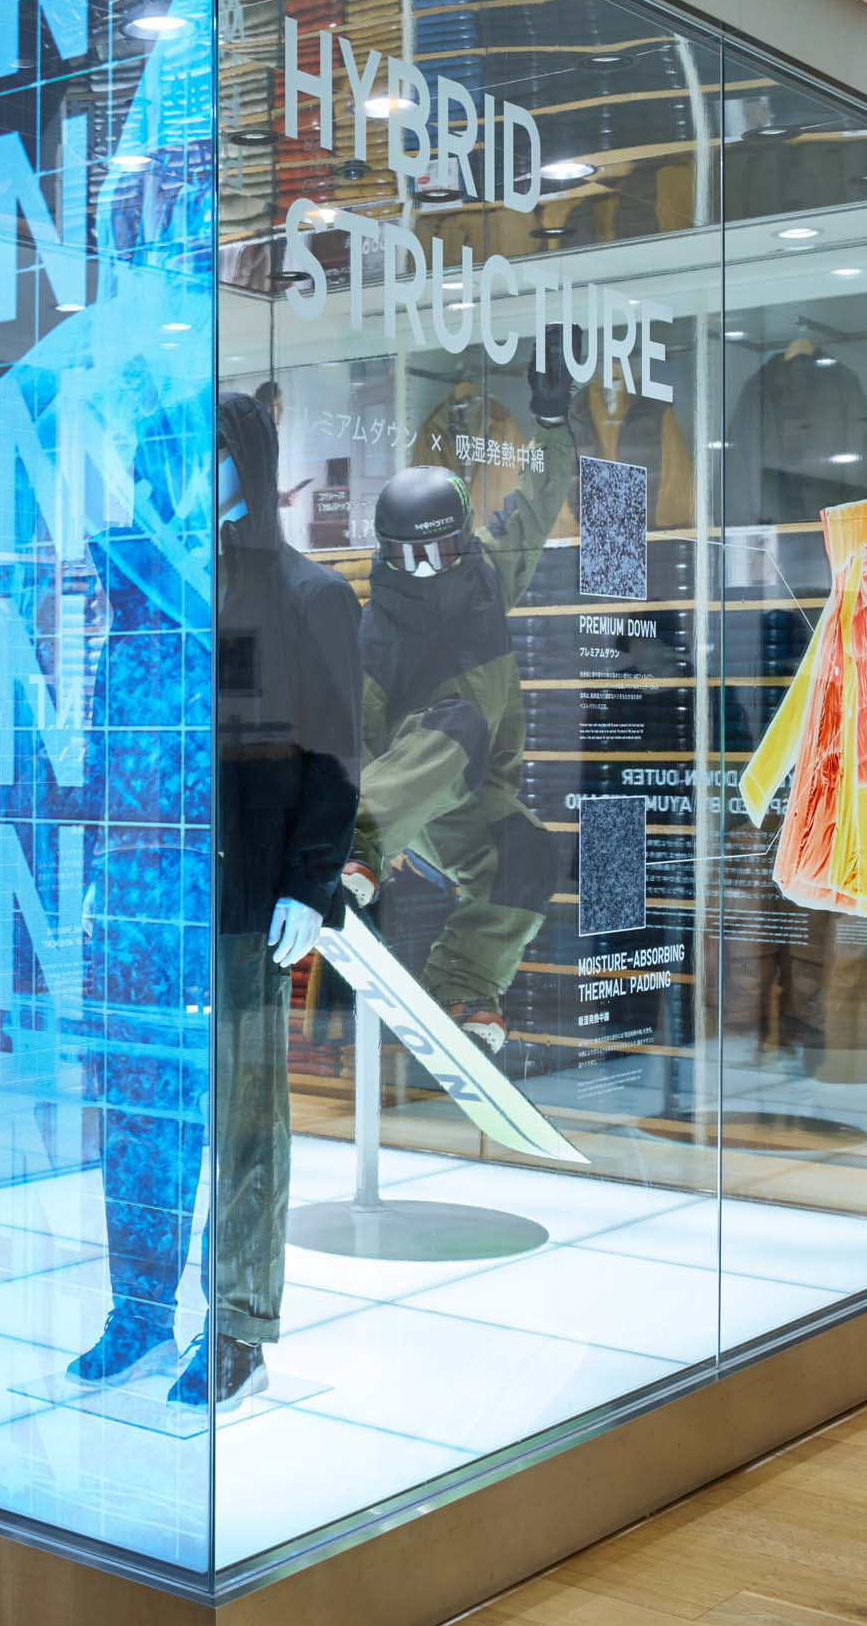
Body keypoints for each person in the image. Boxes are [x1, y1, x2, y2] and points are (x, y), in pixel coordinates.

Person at [64, 390, 360, 1411]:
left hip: (235, 899)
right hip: (139, 896)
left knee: (238, 1116)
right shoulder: (135, 593)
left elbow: (331, 751)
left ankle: (236, 1322)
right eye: (158, 459)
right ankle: (137, 1307)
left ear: (243, 462)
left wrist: (309, 883)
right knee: (139, 1108)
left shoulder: (303, 597)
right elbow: (105, 745)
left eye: (192, 456)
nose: (170, 477)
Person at [339, 357, 577, 1054]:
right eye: (406, 557)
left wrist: (554, 423)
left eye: (439, 552)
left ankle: (466, 983)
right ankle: (357, 838)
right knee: (461, 722)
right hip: (396, 796)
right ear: (385, 553)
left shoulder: (489, 573)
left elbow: (538, 496)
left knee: (531, 854)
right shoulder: (377, 633)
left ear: (463, 540)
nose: (424, 571)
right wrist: (366, 832)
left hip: (470, 794)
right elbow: (352, 739)